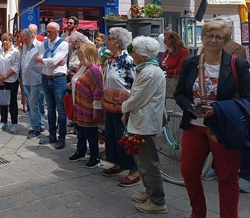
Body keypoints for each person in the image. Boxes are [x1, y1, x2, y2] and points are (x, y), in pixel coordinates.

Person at [174, 19, 250, 218]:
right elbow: (180, 93)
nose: (213, 40)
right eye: (210, 35)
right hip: (194, 126)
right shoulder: (190, 63)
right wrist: (190, 107)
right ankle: (198, 213)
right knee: (189, 172)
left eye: (219, 37)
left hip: (224, 128)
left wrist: (218, 109)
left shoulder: (237, 65)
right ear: (203, 37)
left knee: (227, 177)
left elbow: (247, 98)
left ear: (225, 40)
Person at [121, 36, 167, 214]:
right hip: (141, 122)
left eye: (134, 52)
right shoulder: (147, 70)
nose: (132, 54)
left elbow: (138, 98)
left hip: (145, 123)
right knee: (143, 162)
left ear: (142, 55)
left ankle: (158, 201)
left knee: (149, 164)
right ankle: (149, 192)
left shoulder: (150, 72)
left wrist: (124, 107)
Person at [101, 27, 139, 186]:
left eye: (109, 38)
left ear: (118, 42)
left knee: (123, 137)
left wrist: (130, 106)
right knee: (111, 135)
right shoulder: (110, 58)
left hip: (123, 104)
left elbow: (135, 83)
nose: (106, 40)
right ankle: (117, 164)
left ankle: (133, 170)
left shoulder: (127, 60)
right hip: (110, 103)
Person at [69, 42, 104, 169]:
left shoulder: (94, 69)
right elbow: (78, 80)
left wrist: (96, 107)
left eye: (81, 55)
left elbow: (97, 90)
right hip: (79, 105)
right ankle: (80, 151)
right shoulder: (84, 67)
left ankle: (95, 157)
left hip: (88, 106)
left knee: (90, 132)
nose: (79, 57)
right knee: (80, 130)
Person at [36, 21, 69, 149]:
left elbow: (53, 61)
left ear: (58, 31)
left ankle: (61, 137)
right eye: (47, 31)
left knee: (61, 110)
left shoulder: (63, 44)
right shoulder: (44, 43)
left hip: (58, 79)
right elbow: (38, 62)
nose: (48, 34)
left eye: (51, 32)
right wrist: (48, 62)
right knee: (50, 109)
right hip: (46, 77)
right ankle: (52, 135)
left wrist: (45, 61)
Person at [0, 33, 21, 133]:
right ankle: (3, 121)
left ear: (11, 41)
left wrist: (4, 77)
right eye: (3, 40)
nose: (5, 42)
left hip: (11, 80)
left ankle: (14, 123)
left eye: (7, 40)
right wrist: (0, 77)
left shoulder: (15, 52)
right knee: (2, 101)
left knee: (12, 102)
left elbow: (16, 66)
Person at [20, 28, 44, 139]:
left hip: (36, 80)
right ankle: (41, 125)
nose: (24, 41)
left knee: (33, 104)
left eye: (26, 39)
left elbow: (44, 60)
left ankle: (36, 129)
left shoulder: (40, 46)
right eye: (23, 39)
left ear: (32, 37)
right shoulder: (24, 46)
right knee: (33, 104)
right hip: (26, 79)